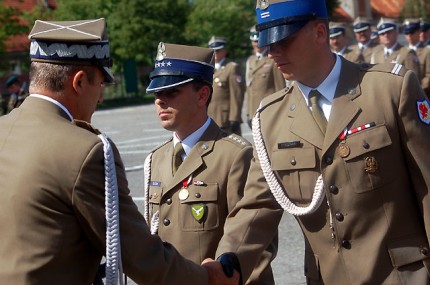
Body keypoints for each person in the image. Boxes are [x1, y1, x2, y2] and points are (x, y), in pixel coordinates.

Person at [0, 18, 238, 285]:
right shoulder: (84, 150)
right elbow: (139, 255)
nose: (100, 98)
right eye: (100, 84)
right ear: (79, 82)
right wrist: (207, 278)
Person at [215, 0, 430, 284]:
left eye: (284, 40)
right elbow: (258, 204)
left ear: (319, 32)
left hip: (402, 276)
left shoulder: (388, 90)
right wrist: (227, 260)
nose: (272, 52)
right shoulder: (270, 118)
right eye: (268, 43)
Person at [144, 42, 277, 285]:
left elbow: (256, 245)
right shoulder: (156, 159)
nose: (160, 101)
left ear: (202, 95)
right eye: (156, 94)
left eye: (171, 92)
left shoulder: (236, 155)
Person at [245, 25, 286, 128]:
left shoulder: (272, 59)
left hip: (269, 110)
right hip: (254, 112)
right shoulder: (251, 60)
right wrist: (249, 113)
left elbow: (280, 88)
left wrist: (280, 111)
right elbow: (249, 89)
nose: (256, 44)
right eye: (254, 41)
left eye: (258, 41)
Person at [207, 36, 244, 135]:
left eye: (218, 51)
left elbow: (236, 95)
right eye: (213, 51)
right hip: (210, 118)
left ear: (224, 50)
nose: (215, 53)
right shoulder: (208, 68)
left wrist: (234, 118)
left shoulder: (231, 68)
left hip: (225, 119)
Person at [403, 18, 430, 96]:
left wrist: (418, 89)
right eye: (407, 33)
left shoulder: (427, 51)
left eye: (412, 32)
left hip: (422, 94)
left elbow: (429, 75)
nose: (409, 35)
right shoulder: (402, 52)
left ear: (419, 32)